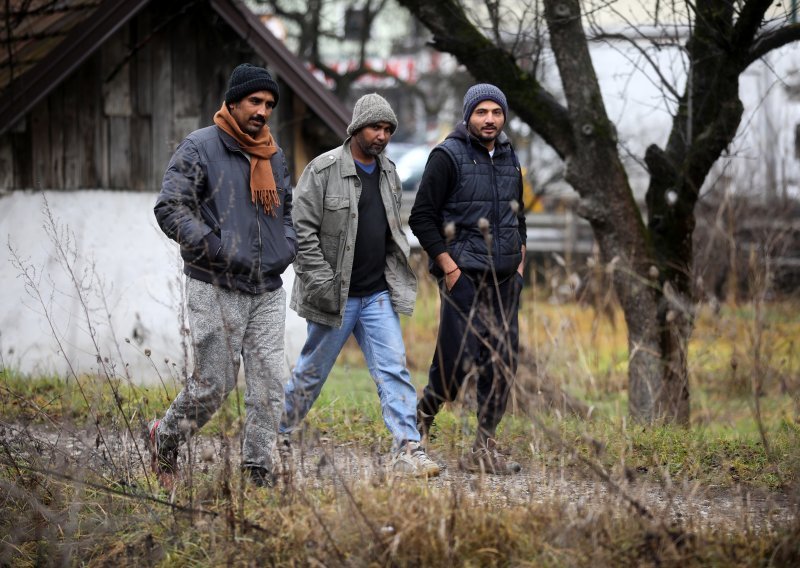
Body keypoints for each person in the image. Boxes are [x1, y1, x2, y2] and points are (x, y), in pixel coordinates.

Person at [149, 63, 296, 488]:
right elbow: (169, 208)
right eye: (255, 101)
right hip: (215, 282)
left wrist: (285, 248)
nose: (263, 111)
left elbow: (285, 211)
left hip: (267, 286)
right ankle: (167, 436)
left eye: (269, 104)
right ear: (233, 102)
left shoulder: (274, 154)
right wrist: (214, 246)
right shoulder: (199, 148)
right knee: (214, 383)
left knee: (269, 383)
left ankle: (256, 468)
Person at [281, 93, 439, 478]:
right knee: (311, 373)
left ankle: (408, 447)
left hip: (376, 294)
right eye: (375, 127)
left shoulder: (389, 172)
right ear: (356, 128)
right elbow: (301, 230)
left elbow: (389, 229)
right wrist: (319, 280)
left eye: (387, 129)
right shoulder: (323, 170)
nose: (382, 135)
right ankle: (276, 434)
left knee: (394, 369)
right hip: (334, 296)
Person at [409, 83, 527, 475]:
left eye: (496, 112)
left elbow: (517, 216)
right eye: (482, 112)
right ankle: (418, 426)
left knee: (503, 360)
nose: (490, 119)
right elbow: (421, 217)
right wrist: (449, 267)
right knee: (454, 362)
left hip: (506, 281)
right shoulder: (447, 156)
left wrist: (520, 261)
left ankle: (483, 448)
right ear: (468, 115)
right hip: (464, 278)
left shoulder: (510, 156)